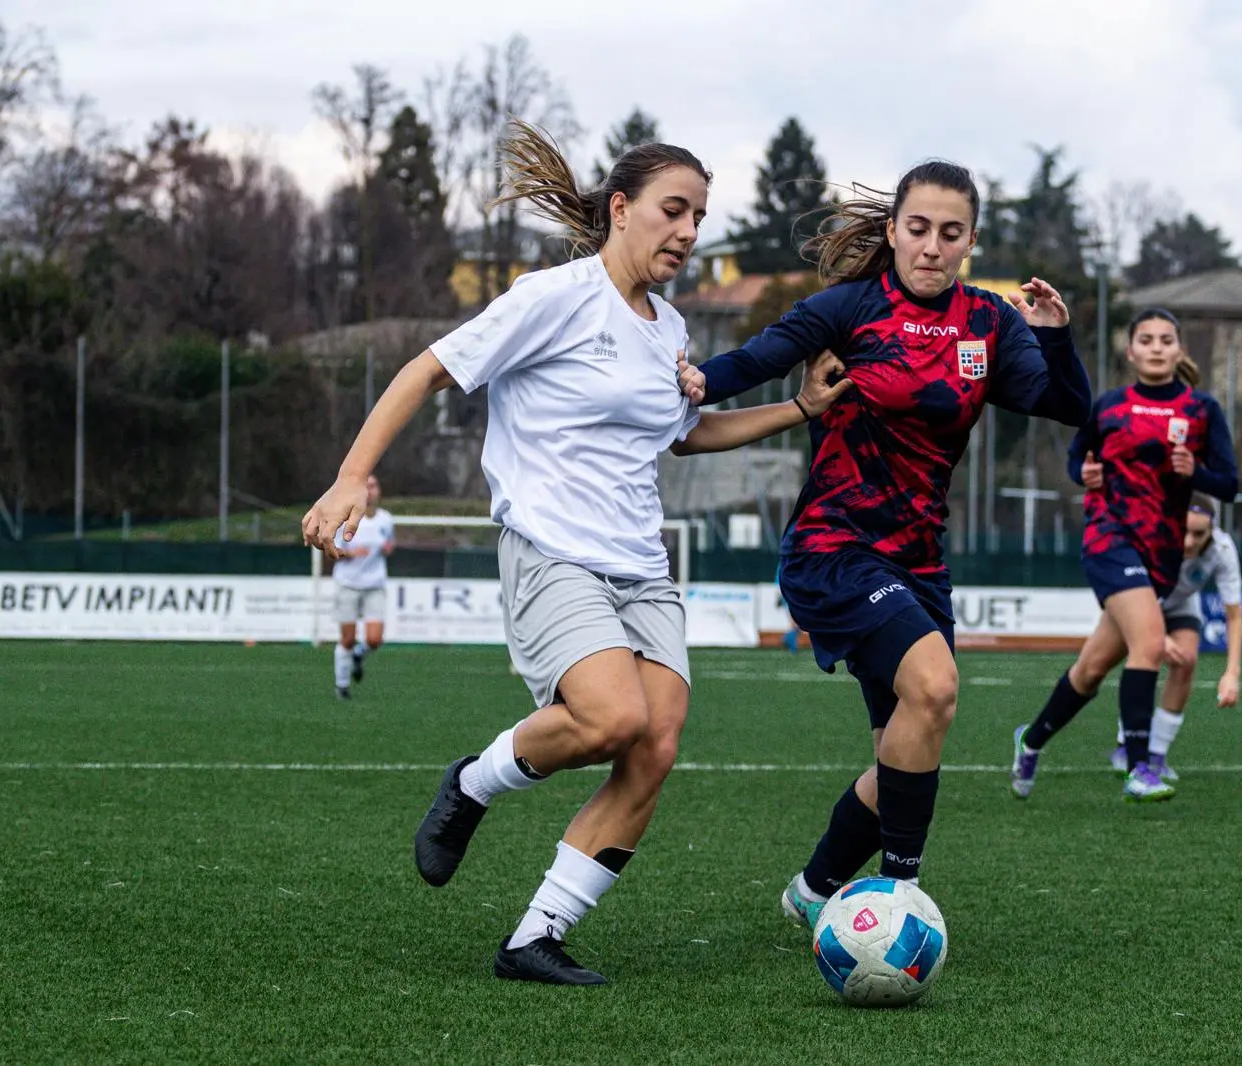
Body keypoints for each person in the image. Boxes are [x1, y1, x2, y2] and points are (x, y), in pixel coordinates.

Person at [303, 120, 851, 985]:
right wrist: (347, 479)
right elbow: (425, 370)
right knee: (610, 719)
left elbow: (688, 436)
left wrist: (802, 411)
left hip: (641, 566)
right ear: (621, 208)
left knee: (655, 745)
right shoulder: (551, 295)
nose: (688, 232)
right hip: (553, 551)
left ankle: (535, 938)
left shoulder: (669, 327)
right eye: (674, 210)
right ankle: (472, 785)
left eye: (701, 218)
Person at [677, 160, 1092, 930]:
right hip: (834, 548)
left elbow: (1065, 405)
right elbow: (757, 360)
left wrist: (1057, 338)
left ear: (971, 241)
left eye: (951, 232)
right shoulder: (850, 307)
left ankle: (813, 890)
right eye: (919, 228)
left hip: (919, 561)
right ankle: (902, 894)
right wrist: (693, 380)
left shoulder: (990, 324)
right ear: (895, 229)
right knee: (934, 686)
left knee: (904, 747)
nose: (932, 246)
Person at [1012, 309, 1238, 802]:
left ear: (1179, 351)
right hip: (1108, 540)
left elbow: (1230, 484)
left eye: (1166, 340)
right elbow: (1079, 459)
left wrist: (1195, 471)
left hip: (1161, 555)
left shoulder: (1201, 411)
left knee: (1091, 670)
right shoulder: (1109, 407)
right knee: (1151, 643)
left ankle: (1030, 741)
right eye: (1146, 339)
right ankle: (1141, 767)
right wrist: (1083, 476)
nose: (1156, 347)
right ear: (1130, 350)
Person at [1097, 495, 1242, 780]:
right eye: (1184, 531)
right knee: (1095, 670)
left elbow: (1234, 616)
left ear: (1213, 529)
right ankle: (1124, 743)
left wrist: (1232, 673)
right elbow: (1127, 586)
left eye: (1199, 533)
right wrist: (1155, 636)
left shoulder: (1223, 551)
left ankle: (1155, 756)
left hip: (1181, 603)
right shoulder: (1152, 537)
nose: (1189, 541)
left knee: (1186, 660)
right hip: (1138, 598)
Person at [327, 474, 395, 700]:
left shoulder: (385, 519)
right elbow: (332, 550)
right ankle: (342, 686)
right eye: (366, 486)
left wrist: (387, 549)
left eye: (374, 486)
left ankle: (359, 654)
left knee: (374, 639)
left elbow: (389, 543)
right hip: (348, 584)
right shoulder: (345, 518)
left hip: (375, 584)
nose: (370, 490)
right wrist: (351, 553)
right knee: (347, 638)